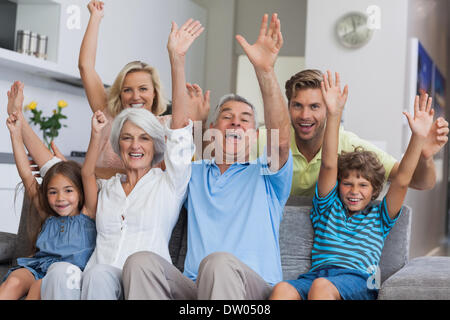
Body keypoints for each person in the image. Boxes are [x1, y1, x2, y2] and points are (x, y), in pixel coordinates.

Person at [122, 13, 293, 300]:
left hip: (254, 289)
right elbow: (176, 138)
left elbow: (281, 137)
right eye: (228, 117)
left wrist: (265, 71)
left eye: (245, 119)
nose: (236, 123)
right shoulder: (195, 173)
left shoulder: (267, 175)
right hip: (197, 288)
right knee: (141, 262)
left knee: (218, 262)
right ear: (212, 129)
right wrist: (177, 60)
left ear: (256, 133)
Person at [38, 18, 202, 300]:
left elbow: (179, 134)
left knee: (99, 274)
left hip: (142, 279)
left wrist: (177, 60)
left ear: (156, 143)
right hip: (97, 276)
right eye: (127, 138)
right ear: (117, 143)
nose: (134, 145)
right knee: (59, 272)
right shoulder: (109, 187)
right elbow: (83, 176)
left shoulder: (168, 184)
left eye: (144, 138)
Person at [269, 71, 434, 300]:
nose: (354, 191)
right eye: (347, 183)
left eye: (363, 185)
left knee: (321, 288)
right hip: (317, 276)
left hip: (359, 280)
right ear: (338, 185)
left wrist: (417, 136)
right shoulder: (327, 208)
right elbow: (328, 165)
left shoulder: (380, 216)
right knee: (282, 289)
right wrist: (334, 114)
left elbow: (403, 180)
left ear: (375, 191)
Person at [79, 1, 209, 173]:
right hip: (100, 199)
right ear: (120, 94)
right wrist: (95, 17)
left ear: (155, 93)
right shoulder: (108, 117)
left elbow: (196, 159)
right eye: (127, 90)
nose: (135, 96)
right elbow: (85, 67)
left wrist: (200, 123)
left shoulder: (164, 126)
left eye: (143, 89)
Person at [283, 69, 449, 196]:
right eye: (297, 105)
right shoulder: (270, 141)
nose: (305, 115)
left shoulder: (349, 145)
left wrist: (424, 157)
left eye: (314, 106)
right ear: (289, 106)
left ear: (327, 109)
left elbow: (419, 182)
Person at [0, 85, 96, 300]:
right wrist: (15, 134)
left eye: (68, 191)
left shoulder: (88, 214)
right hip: (37, 265)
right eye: (53, 192)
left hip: (64, 275)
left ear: (80, 192)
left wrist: (95, 134)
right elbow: (27, 175)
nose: (60, 198)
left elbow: (88, 172)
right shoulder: (48, 214)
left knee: (39, 288)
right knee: (13, 281)